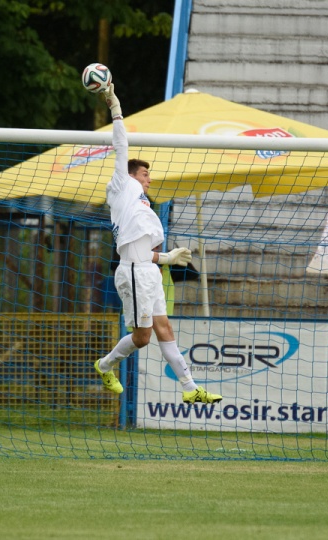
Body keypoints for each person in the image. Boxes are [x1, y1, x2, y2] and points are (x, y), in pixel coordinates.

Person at [93, 83, 222, 405]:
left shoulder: (142, 202)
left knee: (164, 329)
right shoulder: (122, 186)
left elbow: (143, 250)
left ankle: (190, 386)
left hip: (147, 271)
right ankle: (105, 364)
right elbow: (121, 147)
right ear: (132, 175)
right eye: (145, 173)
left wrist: (167, 257)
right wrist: (115, 108)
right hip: (133, 274)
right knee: (143, 337)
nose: (149, 178)